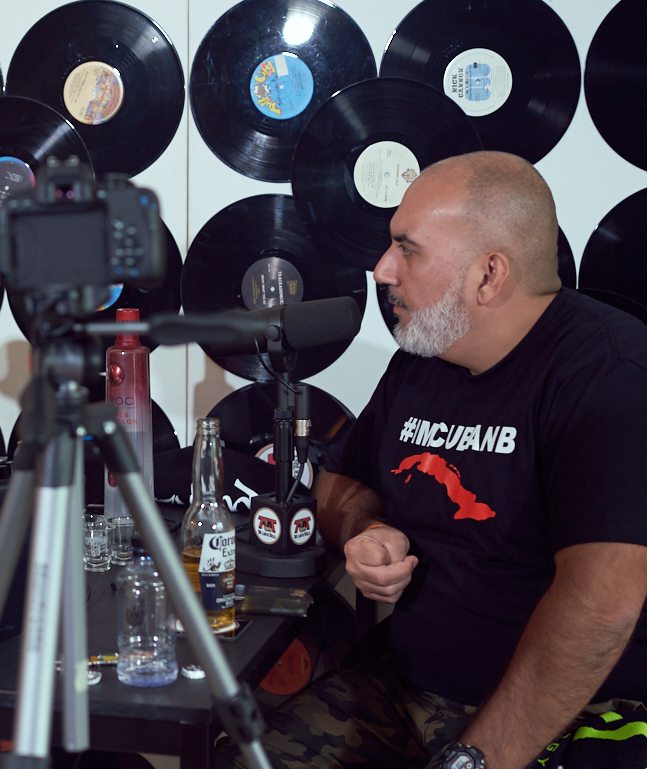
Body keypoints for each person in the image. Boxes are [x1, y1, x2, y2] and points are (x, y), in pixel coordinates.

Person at [216, 151, 647, 769]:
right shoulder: (422, 360)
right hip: (407, 689)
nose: (382, 269)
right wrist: (367, 530)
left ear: (489, 274)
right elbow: (340, 481)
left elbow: (601, 604)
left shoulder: (610, 374)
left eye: (407, 249)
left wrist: (475, 758)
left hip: (568, 717)